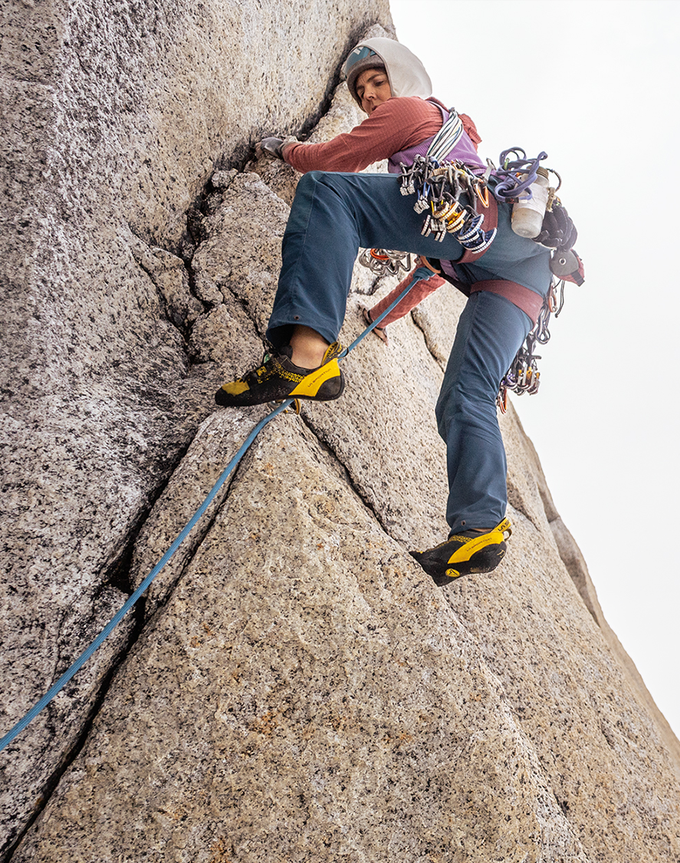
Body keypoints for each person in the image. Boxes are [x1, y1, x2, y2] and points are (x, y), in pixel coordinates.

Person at [215, 37, 553, 586]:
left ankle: (305, 360)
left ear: (403, 78)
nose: (370, 97)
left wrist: (285, 150)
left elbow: (334, 160)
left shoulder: (414, 112)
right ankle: (481, 529)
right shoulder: (444, 159)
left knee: (328, 193)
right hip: (520, 277)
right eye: (360, 91)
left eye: (377, 81)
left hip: (484, 225)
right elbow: (432, 272)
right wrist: (380, 316)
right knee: (467, 395)